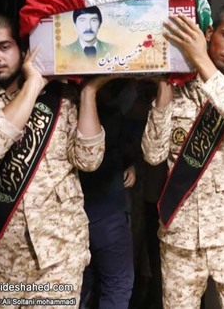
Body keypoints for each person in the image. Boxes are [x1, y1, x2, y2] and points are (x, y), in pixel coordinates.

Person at [0, 14, 107, 305]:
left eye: (3, 47)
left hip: (60, 256)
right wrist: (34, 84)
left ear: (23, 49)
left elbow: (89, 159)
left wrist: (88, 92)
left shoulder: (61, 96)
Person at [141, 5, 224, 309]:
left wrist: (200, 59)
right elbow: (153, 155)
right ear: (209, 33)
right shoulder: (178, 88)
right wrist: (163, 95)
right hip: (181, 232)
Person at [79, 80, 137, 309]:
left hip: (76, 215)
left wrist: (129, 163)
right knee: (116, 285)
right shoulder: (111, 112)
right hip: (105, 212)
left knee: (79, 287)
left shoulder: (59, 106)